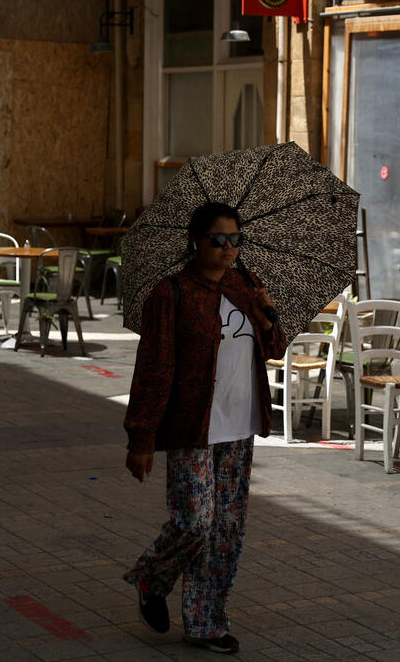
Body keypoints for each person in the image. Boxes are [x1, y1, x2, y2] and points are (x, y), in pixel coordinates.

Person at [123, 201, 286, 654]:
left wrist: (266, 312)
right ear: (195, 241)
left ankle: (205, 624)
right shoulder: (170, 294)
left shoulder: (246, 284)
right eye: (219, 239)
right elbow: (154, 371)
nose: (229, 248)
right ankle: (152, 580)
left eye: (237, 239)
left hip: (240, 423)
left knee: (226, 530)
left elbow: (273, 348)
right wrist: (141, 438)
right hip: (192, 426)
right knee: (196, 521)